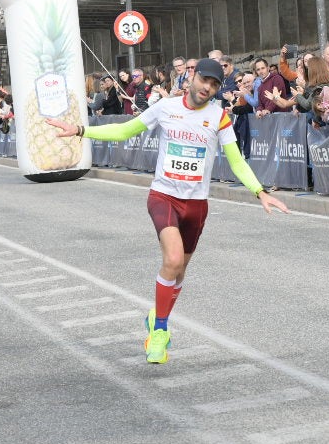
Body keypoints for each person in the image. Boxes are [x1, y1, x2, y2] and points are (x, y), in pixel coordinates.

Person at [43, 58, 288, 364]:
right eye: (204, 81)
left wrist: (259, 192)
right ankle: (160, 330)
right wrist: (80, 130)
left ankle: (156, 313)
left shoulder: (218, 116)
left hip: (196, 205)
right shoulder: (166, 108)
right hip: (164, 196)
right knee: (171, 260)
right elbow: (123, 131)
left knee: (180, 270)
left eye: (214, 85)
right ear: (192, 78)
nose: (207, 89)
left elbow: (236, 160)